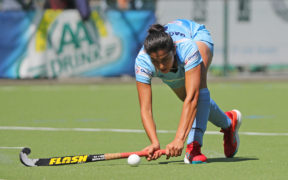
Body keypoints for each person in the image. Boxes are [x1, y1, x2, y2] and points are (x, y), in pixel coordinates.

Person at [134, 19, 242, 164]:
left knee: (198, 89)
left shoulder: (186, 47)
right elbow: (145, 109)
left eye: (165, 59)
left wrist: (180, 139)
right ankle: (229, 123)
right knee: (185, 97)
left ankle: (194, 147)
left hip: (196, 36)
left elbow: (192, 99)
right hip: (174, 54)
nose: (160, 65)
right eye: (155, 61)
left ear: (173, 50)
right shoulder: (143, 61)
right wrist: (154, 142)